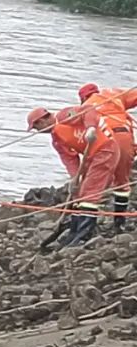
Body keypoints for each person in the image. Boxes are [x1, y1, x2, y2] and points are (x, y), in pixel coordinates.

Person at [28, 105, 121, 246]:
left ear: (41, 122)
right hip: (91, 157)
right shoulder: (57, 140)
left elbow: (89, 110)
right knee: (80, 193)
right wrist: (75, 179)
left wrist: (90, 128)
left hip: (105, 149)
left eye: (36, 128)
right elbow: (70, 160)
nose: (38, 131)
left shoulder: (64, 115)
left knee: (90, 193)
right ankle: (75, 230)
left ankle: (85, 234)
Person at [77, 83, 136, 221]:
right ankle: (119, 222)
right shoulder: (114, 94)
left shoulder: (84, 108)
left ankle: (84, 224)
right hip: (124, 135)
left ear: (83, 98)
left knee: (92, 184)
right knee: (122, 181)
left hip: (105, 140)